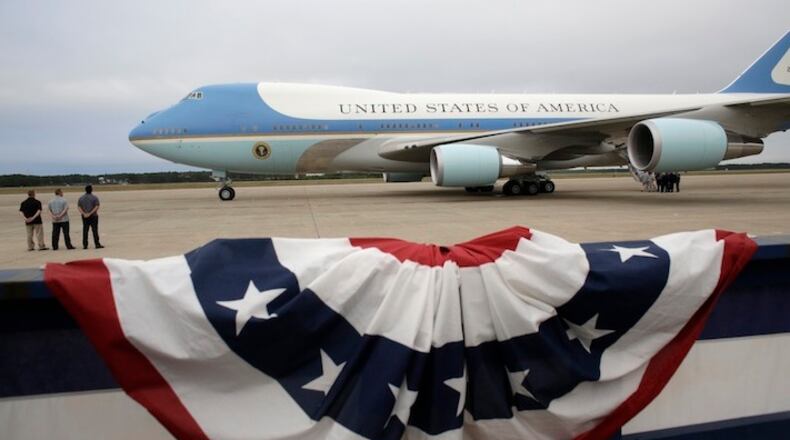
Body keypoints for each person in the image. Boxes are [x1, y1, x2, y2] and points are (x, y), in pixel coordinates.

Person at [77, 185, 104, 249]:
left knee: (85, 230)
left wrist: (84, 213)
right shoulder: (94, 197)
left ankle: (85, 245)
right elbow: (96, 206)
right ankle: (97, 244)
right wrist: (90, 213)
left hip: (84, 216)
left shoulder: (81, 198)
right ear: (91, 190)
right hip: (93, 216)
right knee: (94, 230)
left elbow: (79, 207)